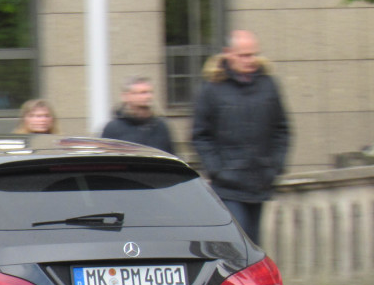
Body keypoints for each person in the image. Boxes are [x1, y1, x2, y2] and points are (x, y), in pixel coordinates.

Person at [191, 30, 290, 245]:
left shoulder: (268, 85)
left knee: (254, 246)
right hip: (228, 186)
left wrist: (275, 166)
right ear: (228, 54)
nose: (250, 60)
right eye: (243, 55)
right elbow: (200, 135)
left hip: (260, 181)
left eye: (253, 54)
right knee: (240, 244)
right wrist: (218, 169)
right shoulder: (211, 88)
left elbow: (281, 129)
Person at [101, 76, 175, 153]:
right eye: (142, 93)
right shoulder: (113, 128)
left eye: (150, 92)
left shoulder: (161, 126)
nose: (148, 96)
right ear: (126, 96)